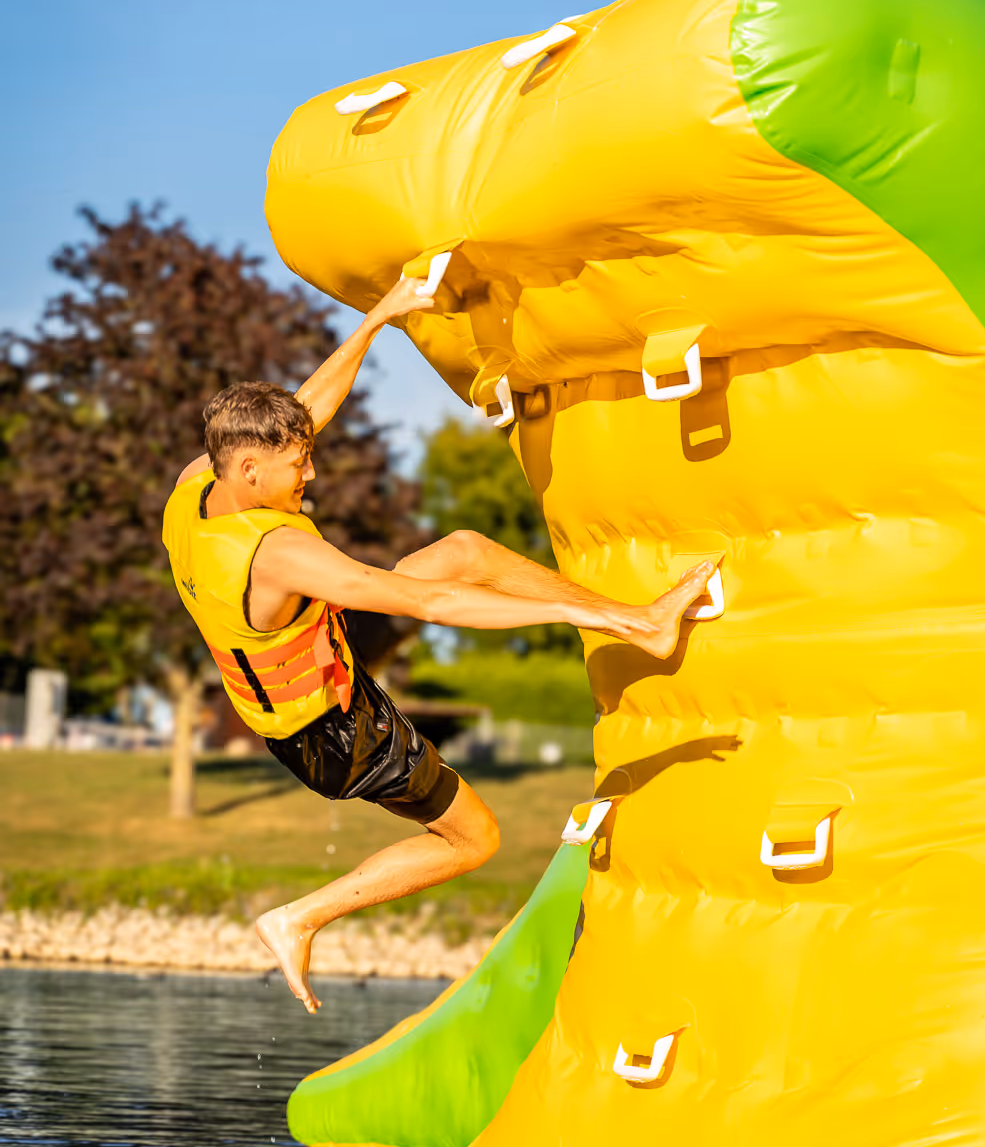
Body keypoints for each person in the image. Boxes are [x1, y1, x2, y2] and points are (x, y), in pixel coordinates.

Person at [162, 275, 718, 1013]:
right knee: (474, 838)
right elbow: (427, 603)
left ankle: (637, 620)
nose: (311, 472)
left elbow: (304, 411)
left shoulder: (199, 483)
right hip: (331, 730)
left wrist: (380, 318)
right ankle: (299, 918)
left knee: (462, 550)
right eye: (299, 466)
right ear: (251, 470)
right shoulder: (280, 554)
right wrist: (574, 616)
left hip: (313, 653)